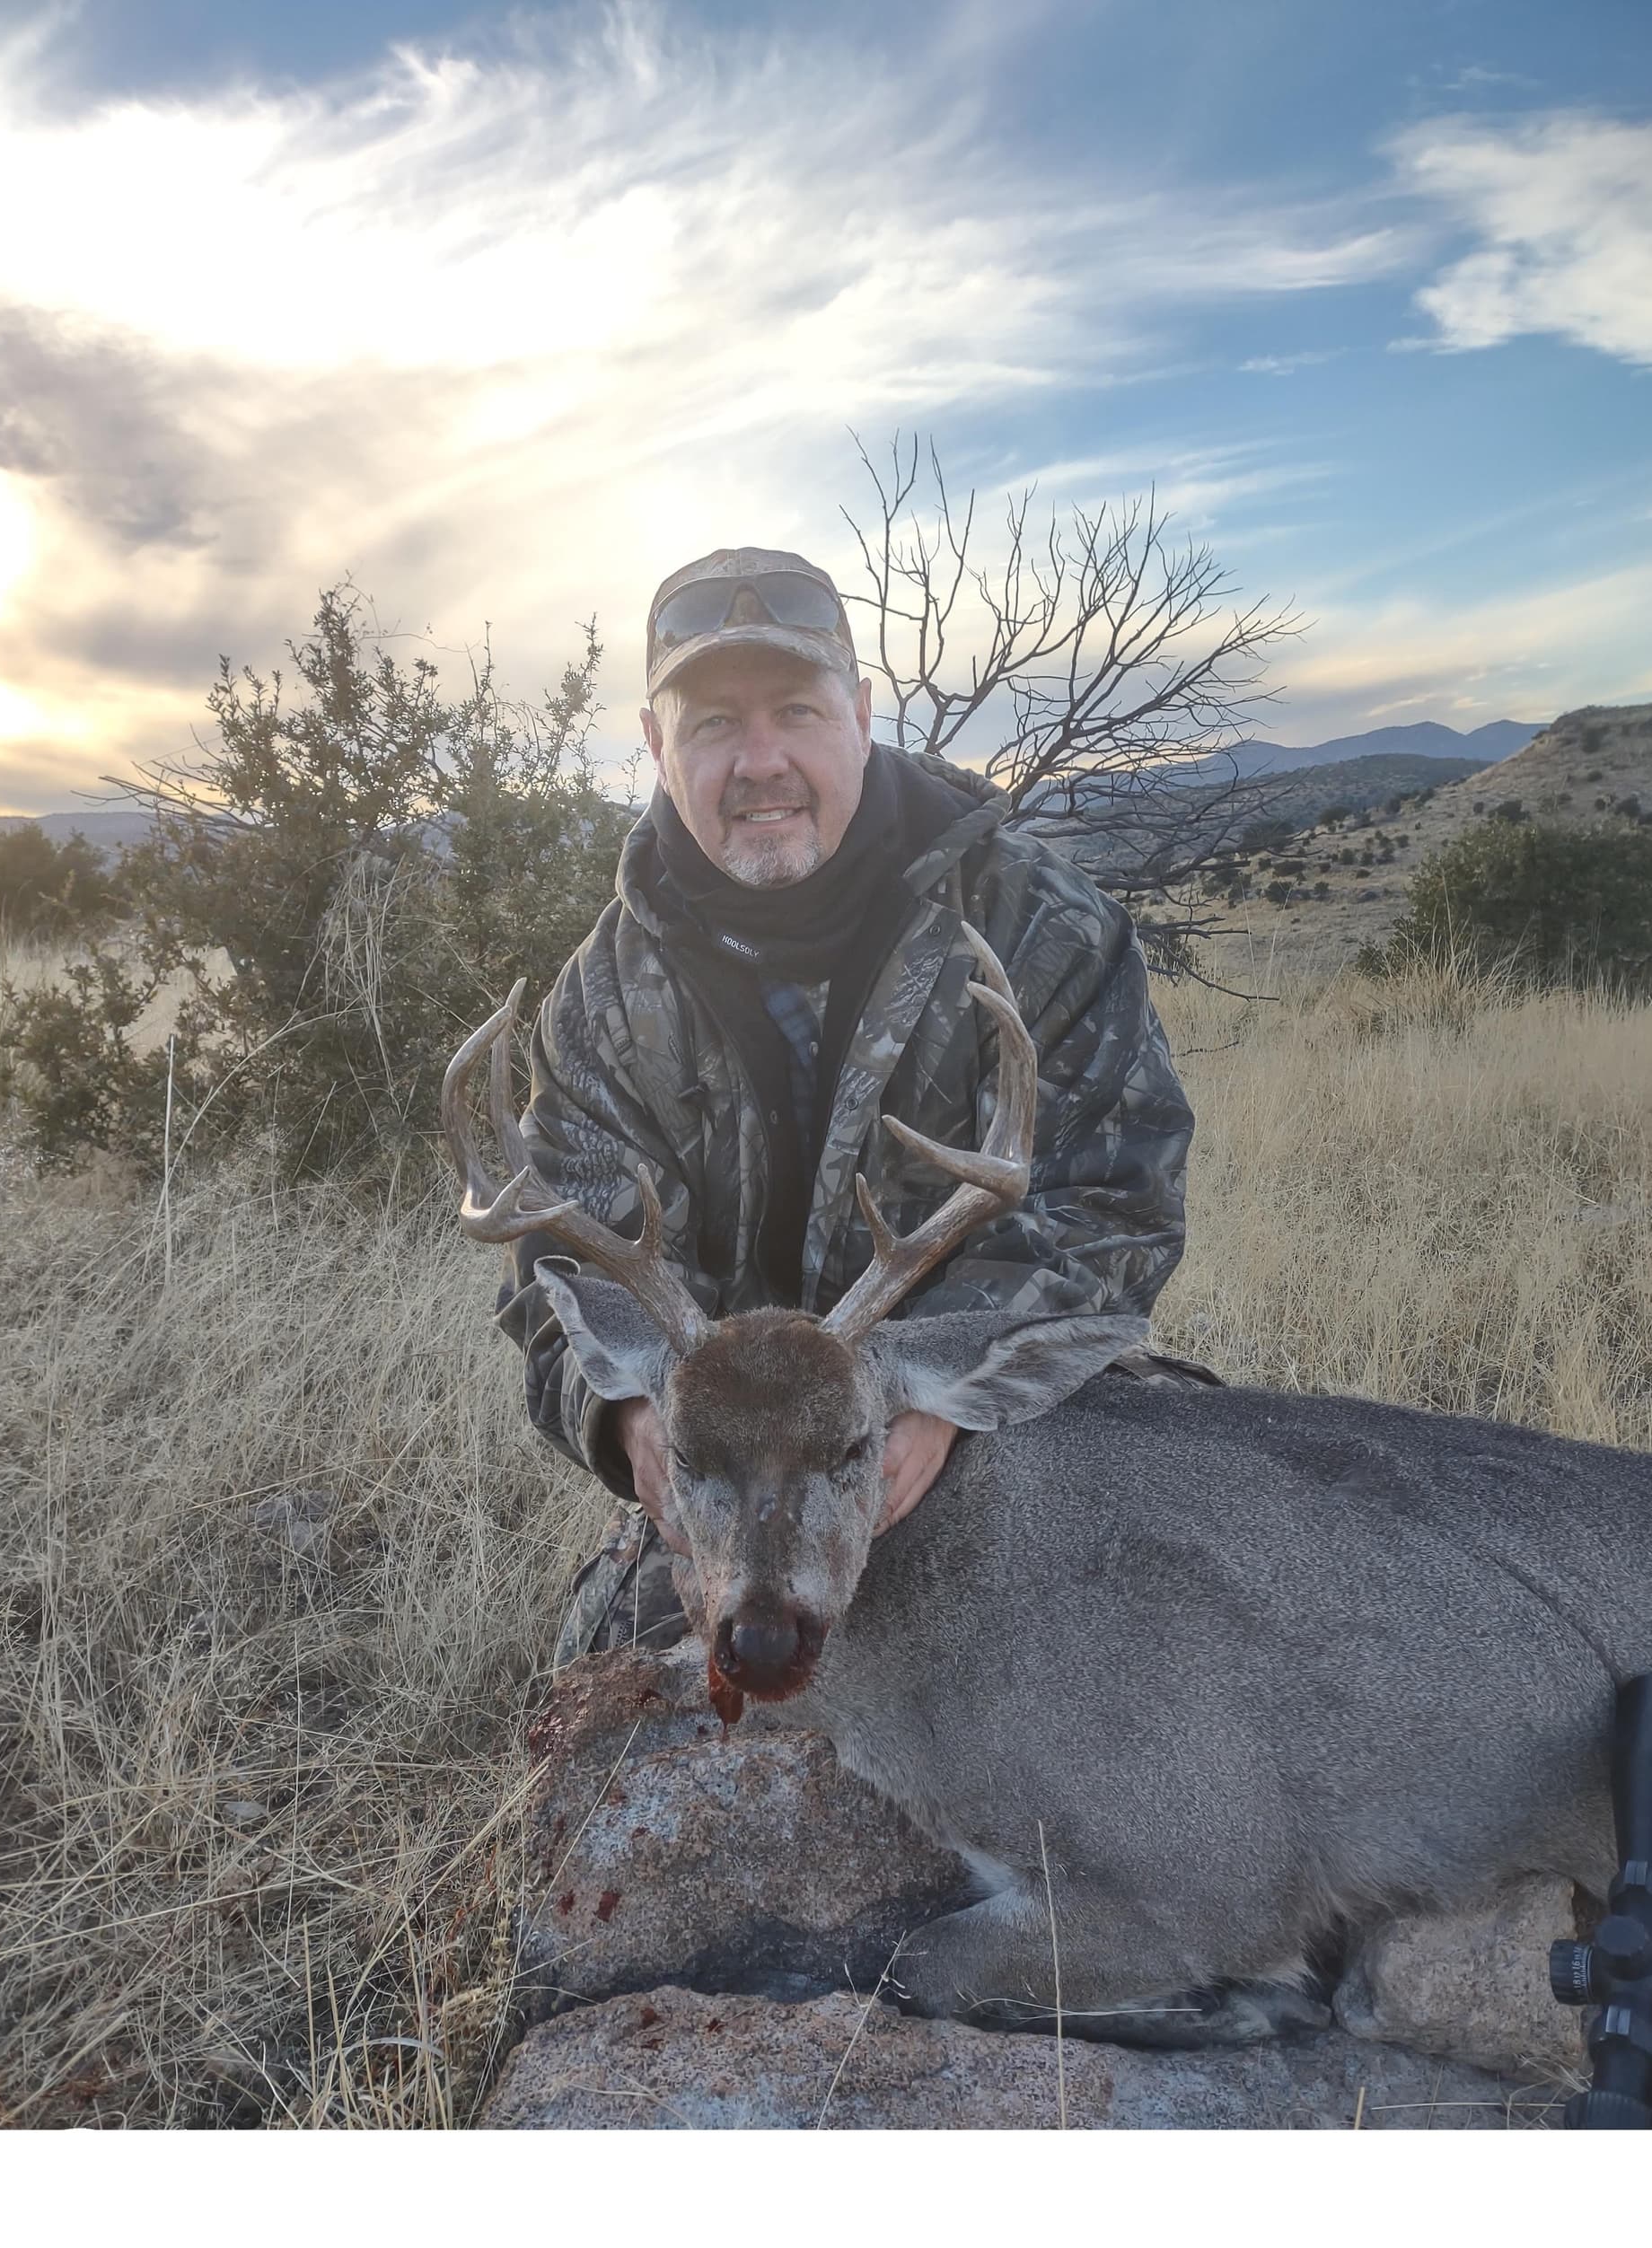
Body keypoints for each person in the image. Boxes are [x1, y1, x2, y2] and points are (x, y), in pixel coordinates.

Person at [492, 546, 1199, 1661]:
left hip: (982, 1419)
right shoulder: (600, 1001)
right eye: (715, 722)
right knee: (617, 1682)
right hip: (736, 1477)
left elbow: (1118, 1204)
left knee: (1133, 1658)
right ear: (655, 744)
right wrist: (633, 1423)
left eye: (796, 710)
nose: (760, 760)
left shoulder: (1039, 928)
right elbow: (558, 1280)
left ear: (862, 714)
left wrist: (938, 1407)